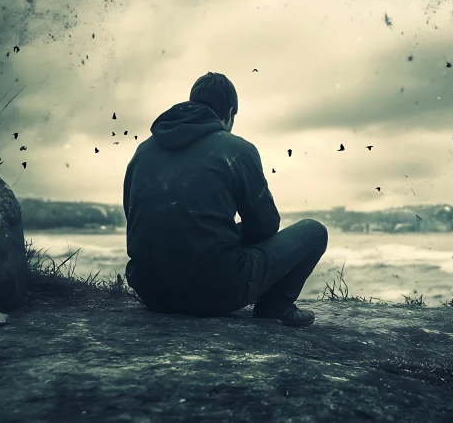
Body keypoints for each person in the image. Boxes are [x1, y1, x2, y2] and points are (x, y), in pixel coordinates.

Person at [123, 72, 327, 327]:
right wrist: (232, 240)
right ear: (229, 113)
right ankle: (276, 307)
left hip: (151, 292)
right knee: (315, 232)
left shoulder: (143, 150)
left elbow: (135, 219)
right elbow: (265, 225)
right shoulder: (237, 149)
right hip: (215, 294)